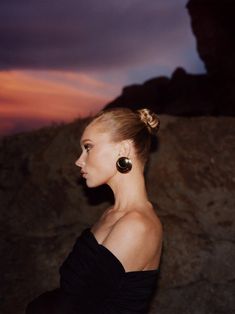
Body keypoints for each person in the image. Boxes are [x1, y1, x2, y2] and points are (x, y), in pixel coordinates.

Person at [25, 107, 163, 314]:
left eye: (88, 148)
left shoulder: (137, 226)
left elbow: (77, 307)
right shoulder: (111, 215)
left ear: (123, 149)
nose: (79, 160)